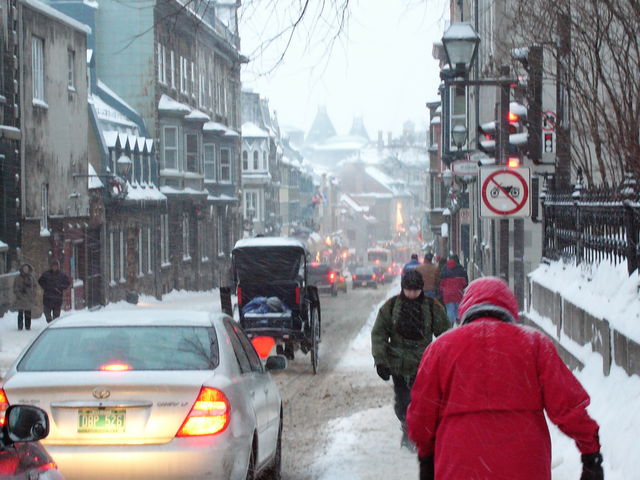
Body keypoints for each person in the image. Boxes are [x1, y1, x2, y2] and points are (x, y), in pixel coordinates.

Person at [406, 277, 604, 480]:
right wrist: (591, 454)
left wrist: (426, 458)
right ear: (510, 308)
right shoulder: (534, 345)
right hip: (523, 464)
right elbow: (568, 406)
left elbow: (422, 415)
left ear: (465, 310)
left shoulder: (441, 349)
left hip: (460, 464)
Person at [371, 269, 450, 450]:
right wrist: (381, 361)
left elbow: (446, 336)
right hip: (398, 365)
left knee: (421, 402)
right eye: (408, 290)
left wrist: (446, 361)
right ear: (402, 289)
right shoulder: (390, 307)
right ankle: (407, 429)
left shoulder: (432, 307)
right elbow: (379, 333)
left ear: (421, 289)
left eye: (415, 290)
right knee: (402, 401)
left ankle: (417, 434)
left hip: (423, 365)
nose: (412, 294)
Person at [439, 254, 468, 324]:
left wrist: (442, 290)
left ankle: (450, 325)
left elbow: (440, 284)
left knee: (450, 309)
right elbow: (465, 283)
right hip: (458, 293)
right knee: (459, 309)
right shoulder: (461, 270)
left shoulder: (444, 270)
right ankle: (459, 324)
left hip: (447, 295)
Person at [13, 263, 36, 331]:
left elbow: (35, 286)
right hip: (20, 298)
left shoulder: (31, 277)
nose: (25, 270)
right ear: (22, 269)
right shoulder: (18, 278)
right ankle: (20, 326)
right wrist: (18, 294)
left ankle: (28, 326)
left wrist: (33, 294)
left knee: (28, 313)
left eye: (27, 269)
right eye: (24, 269)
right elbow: (15, 287)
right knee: (20, 313)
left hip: (29, 298)